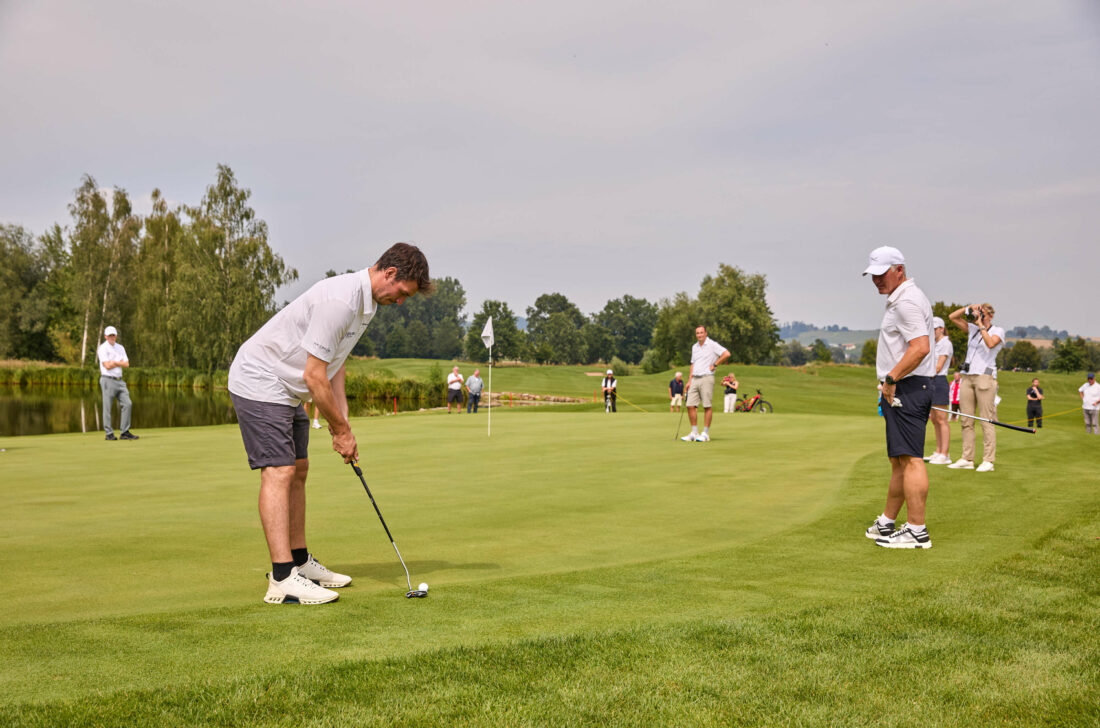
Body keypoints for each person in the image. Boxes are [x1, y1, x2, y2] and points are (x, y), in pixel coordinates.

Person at [227, 242, 431, 606]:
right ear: (390, 273)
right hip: (260, 377)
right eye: (402, 293)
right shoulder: (341, 300)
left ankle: (300, 560)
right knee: (279, 471)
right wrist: (340, 431)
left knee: (299, 469)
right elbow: (314, 375)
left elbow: (335, 362)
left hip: (287, 387)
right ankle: (282, 578)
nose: (401, 301)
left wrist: (344, 417)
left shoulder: (366, 305)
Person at [861, 246, 935, 549]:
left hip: (908, 386)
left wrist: (892, 379)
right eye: (873, 275)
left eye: (882, 274)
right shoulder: (901, 300)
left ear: (899, 270)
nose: (877, 280)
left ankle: (917, 530)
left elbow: (920, 347)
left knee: (911, 459)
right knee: (899, 460)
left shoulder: (907, 302)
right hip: (903, 387)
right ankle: (887, 522)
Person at [947, 303, 1005, 472]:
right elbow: (952, 317)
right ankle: (967, 458)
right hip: (968, 376)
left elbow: (990, 344)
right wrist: (968, 308)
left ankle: (988, 460)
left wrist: (981, 325)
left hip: (985, 377)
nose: (980, 316)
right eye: (979, 313)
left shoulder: (998, 331)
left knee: (986, 419)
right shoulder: (972, 329)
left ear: (991, 316)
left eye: (984, 314)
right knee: (966, 419)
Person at [681, 325, 730, 442]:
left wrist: (715, 364)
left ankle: (705, 434)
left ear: (706, 333)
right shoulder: (694, 347)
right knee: (690, 405)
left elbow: (727, 354)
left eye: (701, 333)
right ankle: (694, 432)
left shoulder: (712, 344)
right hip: (694, 379)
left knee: (707, 405)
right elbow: (693, 364)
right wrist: (689, 380)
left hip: (707, 377)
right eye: (697, 333)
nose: (699, 335)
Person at [97, 325, 139, 441]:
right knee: (107, 407)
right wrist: (118, 362)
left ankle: (124, 432)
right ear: (105, 336)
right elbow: (107, 365)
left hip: (119, 381)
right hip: (107, 379)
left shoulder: (120, 348)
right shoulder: (103, 348)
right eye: (110, 335)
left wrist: (114, 363)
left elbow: (127, 364)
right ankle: (109, 433)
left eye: (113, 335)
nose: (112, 337)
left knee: (128, 403)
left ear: (116, 335)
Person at [925, 317, 953, 464]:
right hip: (931, 381)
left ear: (941, 328)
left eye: (935, 329)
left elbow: (938, 366)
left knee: (941, 419)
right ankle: (938, 451)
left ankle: (945, 454)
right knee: (934, 419)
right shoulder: (934, 344)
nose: (933, 332)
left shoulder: (945, 343)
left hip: (939, 381)